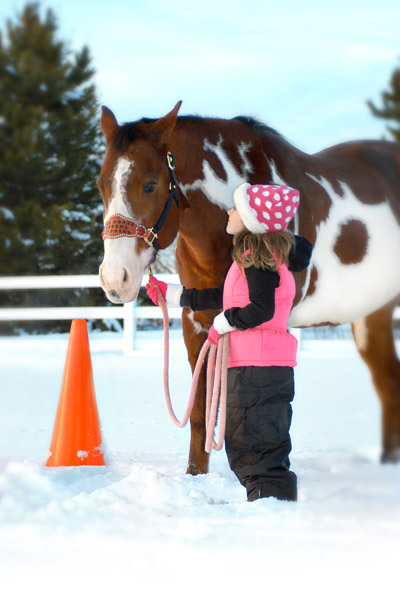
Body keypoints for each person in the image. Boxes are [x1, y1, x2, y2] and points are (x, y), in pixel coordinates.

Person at [146, 183, 312, 502]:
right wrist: (175, 294)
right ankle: (268, 506)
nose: (229, 212)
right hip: (258, 367)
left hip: (256, 370)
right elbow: (225, 297)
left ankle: (271, 511)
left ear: (253, 219)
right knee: (249, 445)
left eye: (236, 208)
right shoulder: (261, 257)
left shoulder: (256, 258)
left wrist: (224, 322)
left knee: (256, 450)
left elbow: (260, 309)